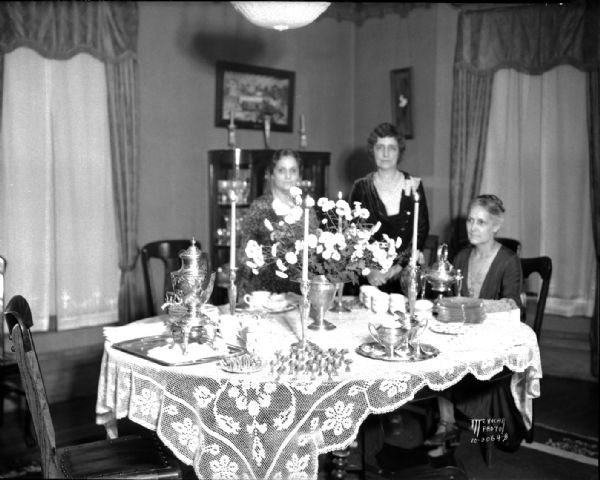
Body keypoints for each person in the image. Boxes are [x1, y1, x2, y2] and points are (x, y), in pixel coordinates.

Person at [425, 194, 526, 451]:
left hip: (492, 342)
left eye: (481, 222)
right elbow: (448, 297)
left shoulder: (508, 260)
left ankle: (485, 431)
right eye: (471, 220)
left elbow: (513, 304)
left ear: (495, 226)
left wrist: (471, 307)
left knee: (455, 359)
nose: (472, 227)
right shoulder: (462, 256)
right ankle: (447, 425)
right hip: (461, 335)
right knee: (435, 352)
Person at [349, 122, 430, 293]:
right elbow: (353, 235)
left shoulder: (413, 185)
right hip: (370, 279)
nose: (385, 153)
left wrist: (398, 268)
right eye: (380, 147)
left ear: (399, 151)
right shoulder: (361, 188)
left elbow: (421, 230)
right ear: (373, 150)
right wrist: (369, 270)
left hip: (405, 276)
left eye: (391, 148)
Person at [238, 149, 317, 295]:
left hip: (300, 290)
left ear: (299, 175)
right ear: (272, 174)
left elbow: (314, 253)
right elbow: (245, 254)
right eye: (281, 170)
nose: (288, 176)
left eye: (293, 170)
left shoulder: (307, 208)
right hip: (265, 291)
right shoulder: (260, 206)